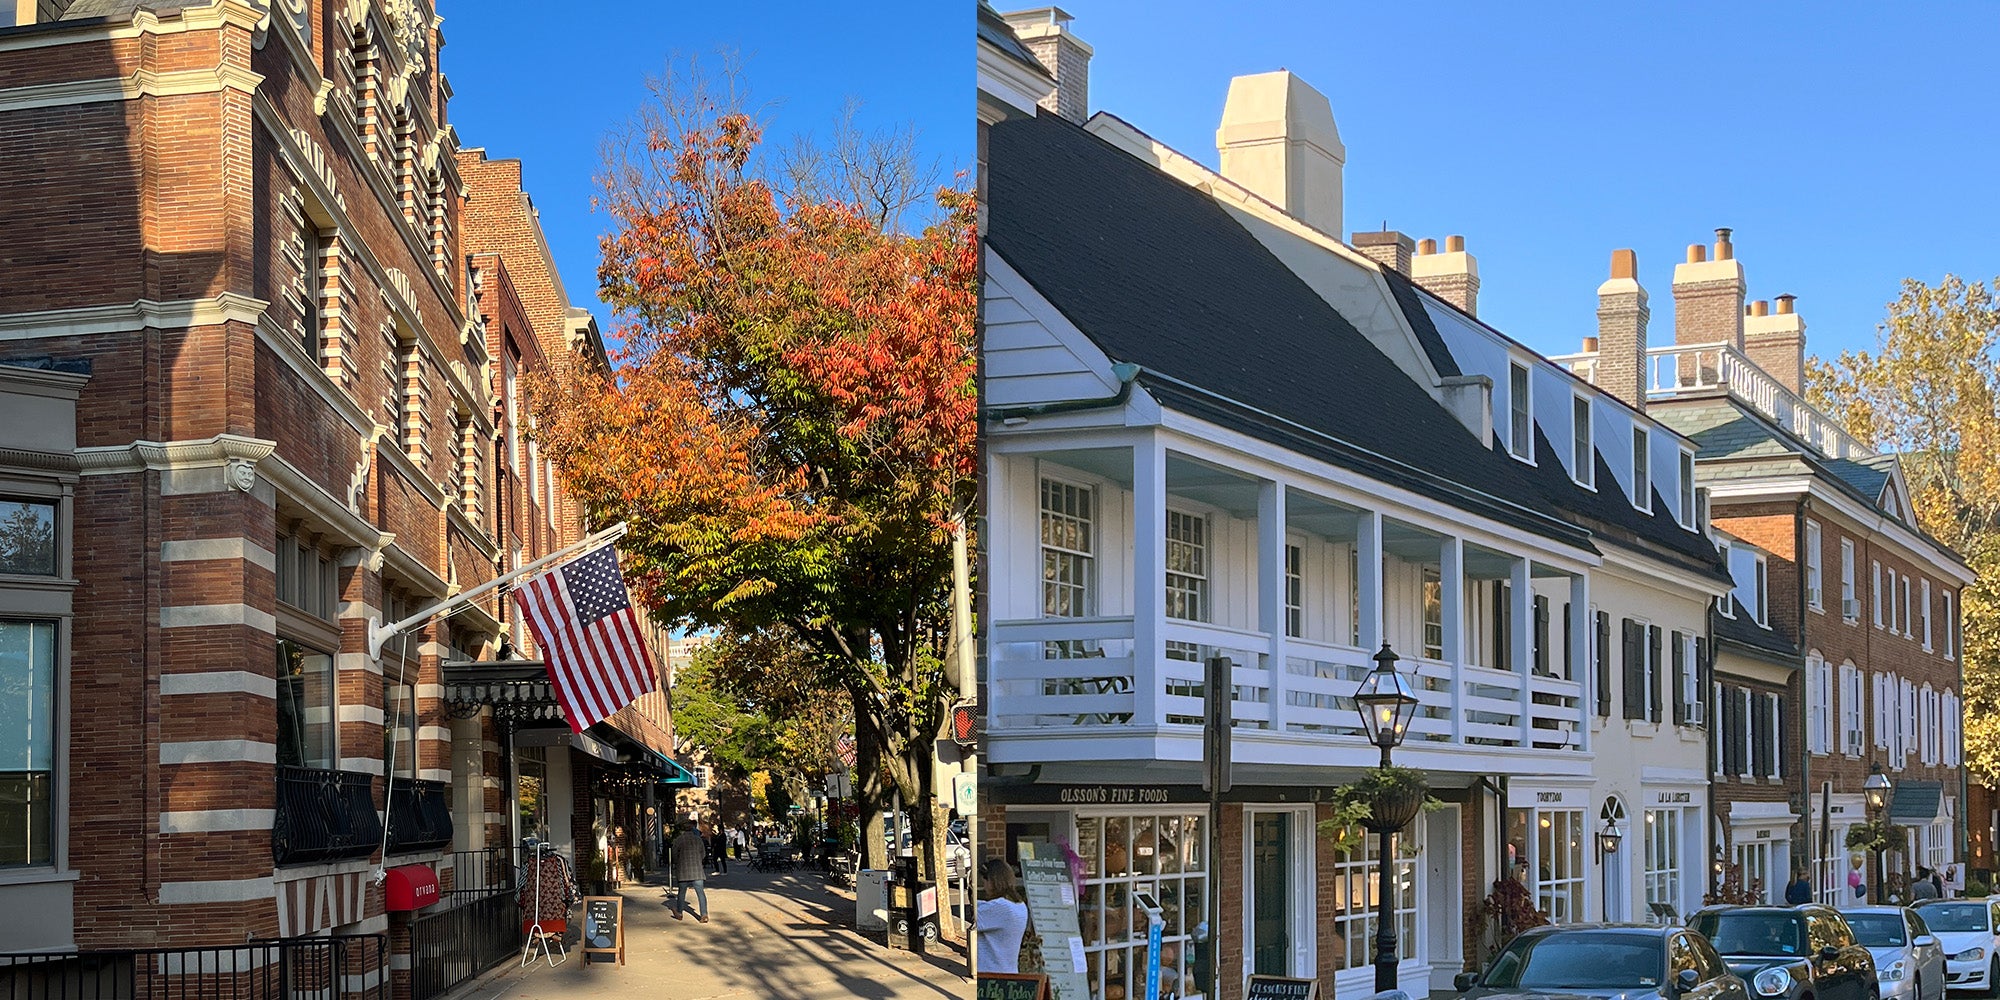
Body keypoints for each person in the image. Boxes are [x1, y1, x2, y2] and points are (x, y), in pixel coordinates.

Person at [974, 858, 1029, 974]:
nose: (984, 885)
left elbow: (972, 919)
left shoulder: (1000, 907)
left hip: (990, 974)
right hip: (1008, 972)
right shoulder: (1019, 905)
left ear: (993, 881)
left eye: (985, 880)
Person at [672, 821, 711, 922]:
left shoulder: (679, 840)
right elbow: (703, 854)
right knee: (700, 893)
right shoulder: (698, 840)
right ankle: (704, 914)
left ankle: (680, 913)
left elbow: (674, 854)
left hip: (683, 870)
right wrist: (699, 861)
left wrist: (677, 863)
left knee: (681, 893)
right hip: (697, 870)